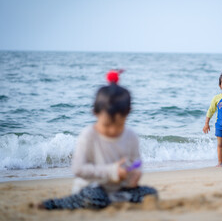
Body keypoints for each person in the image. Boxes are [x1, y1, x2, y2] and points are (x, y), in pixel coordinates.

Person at [38, 70, 157, 210]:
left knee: (151, 194)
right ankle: (57, 204)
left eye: (119, 125)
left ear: (128, 114)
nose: (112, 130)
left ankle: (112, 201)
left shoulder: (131, 136)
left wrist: (134, 175)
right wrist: (112, 171)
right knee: (94, 197)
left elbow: (136, 162)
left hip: (118, 190)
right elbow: (78, 169)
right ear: (95, 113)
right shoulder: (89, 135)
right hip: (92, 188)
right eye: (107, 125)